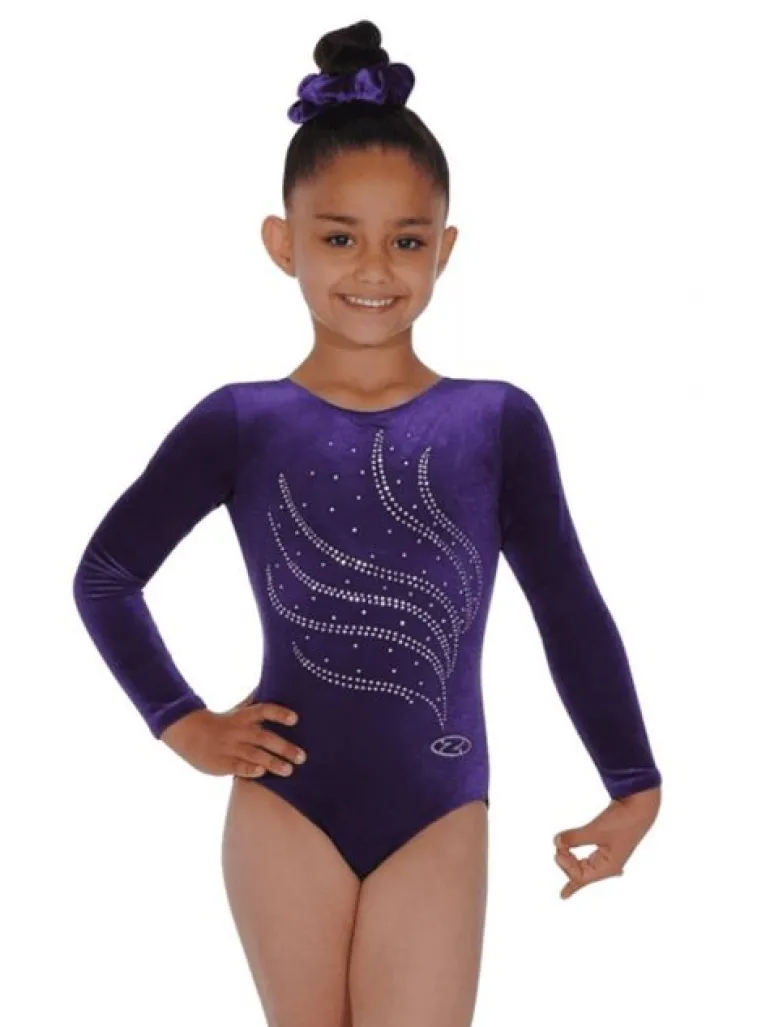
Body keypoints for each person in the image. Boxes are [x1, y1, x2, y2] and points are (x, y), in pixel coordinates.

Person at [72, 19, 662, 1027]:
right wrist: (181, 721)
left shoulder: (495, 421)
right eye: (340, 236)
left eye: (407, 240)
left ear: (446, 248)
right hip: (285, 802)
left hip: (438, 806)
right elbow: (107, 573)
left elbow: (566, 604)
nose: (374, 268)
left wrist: (632, 781)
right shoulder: (242, 421)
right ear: (283, 242)